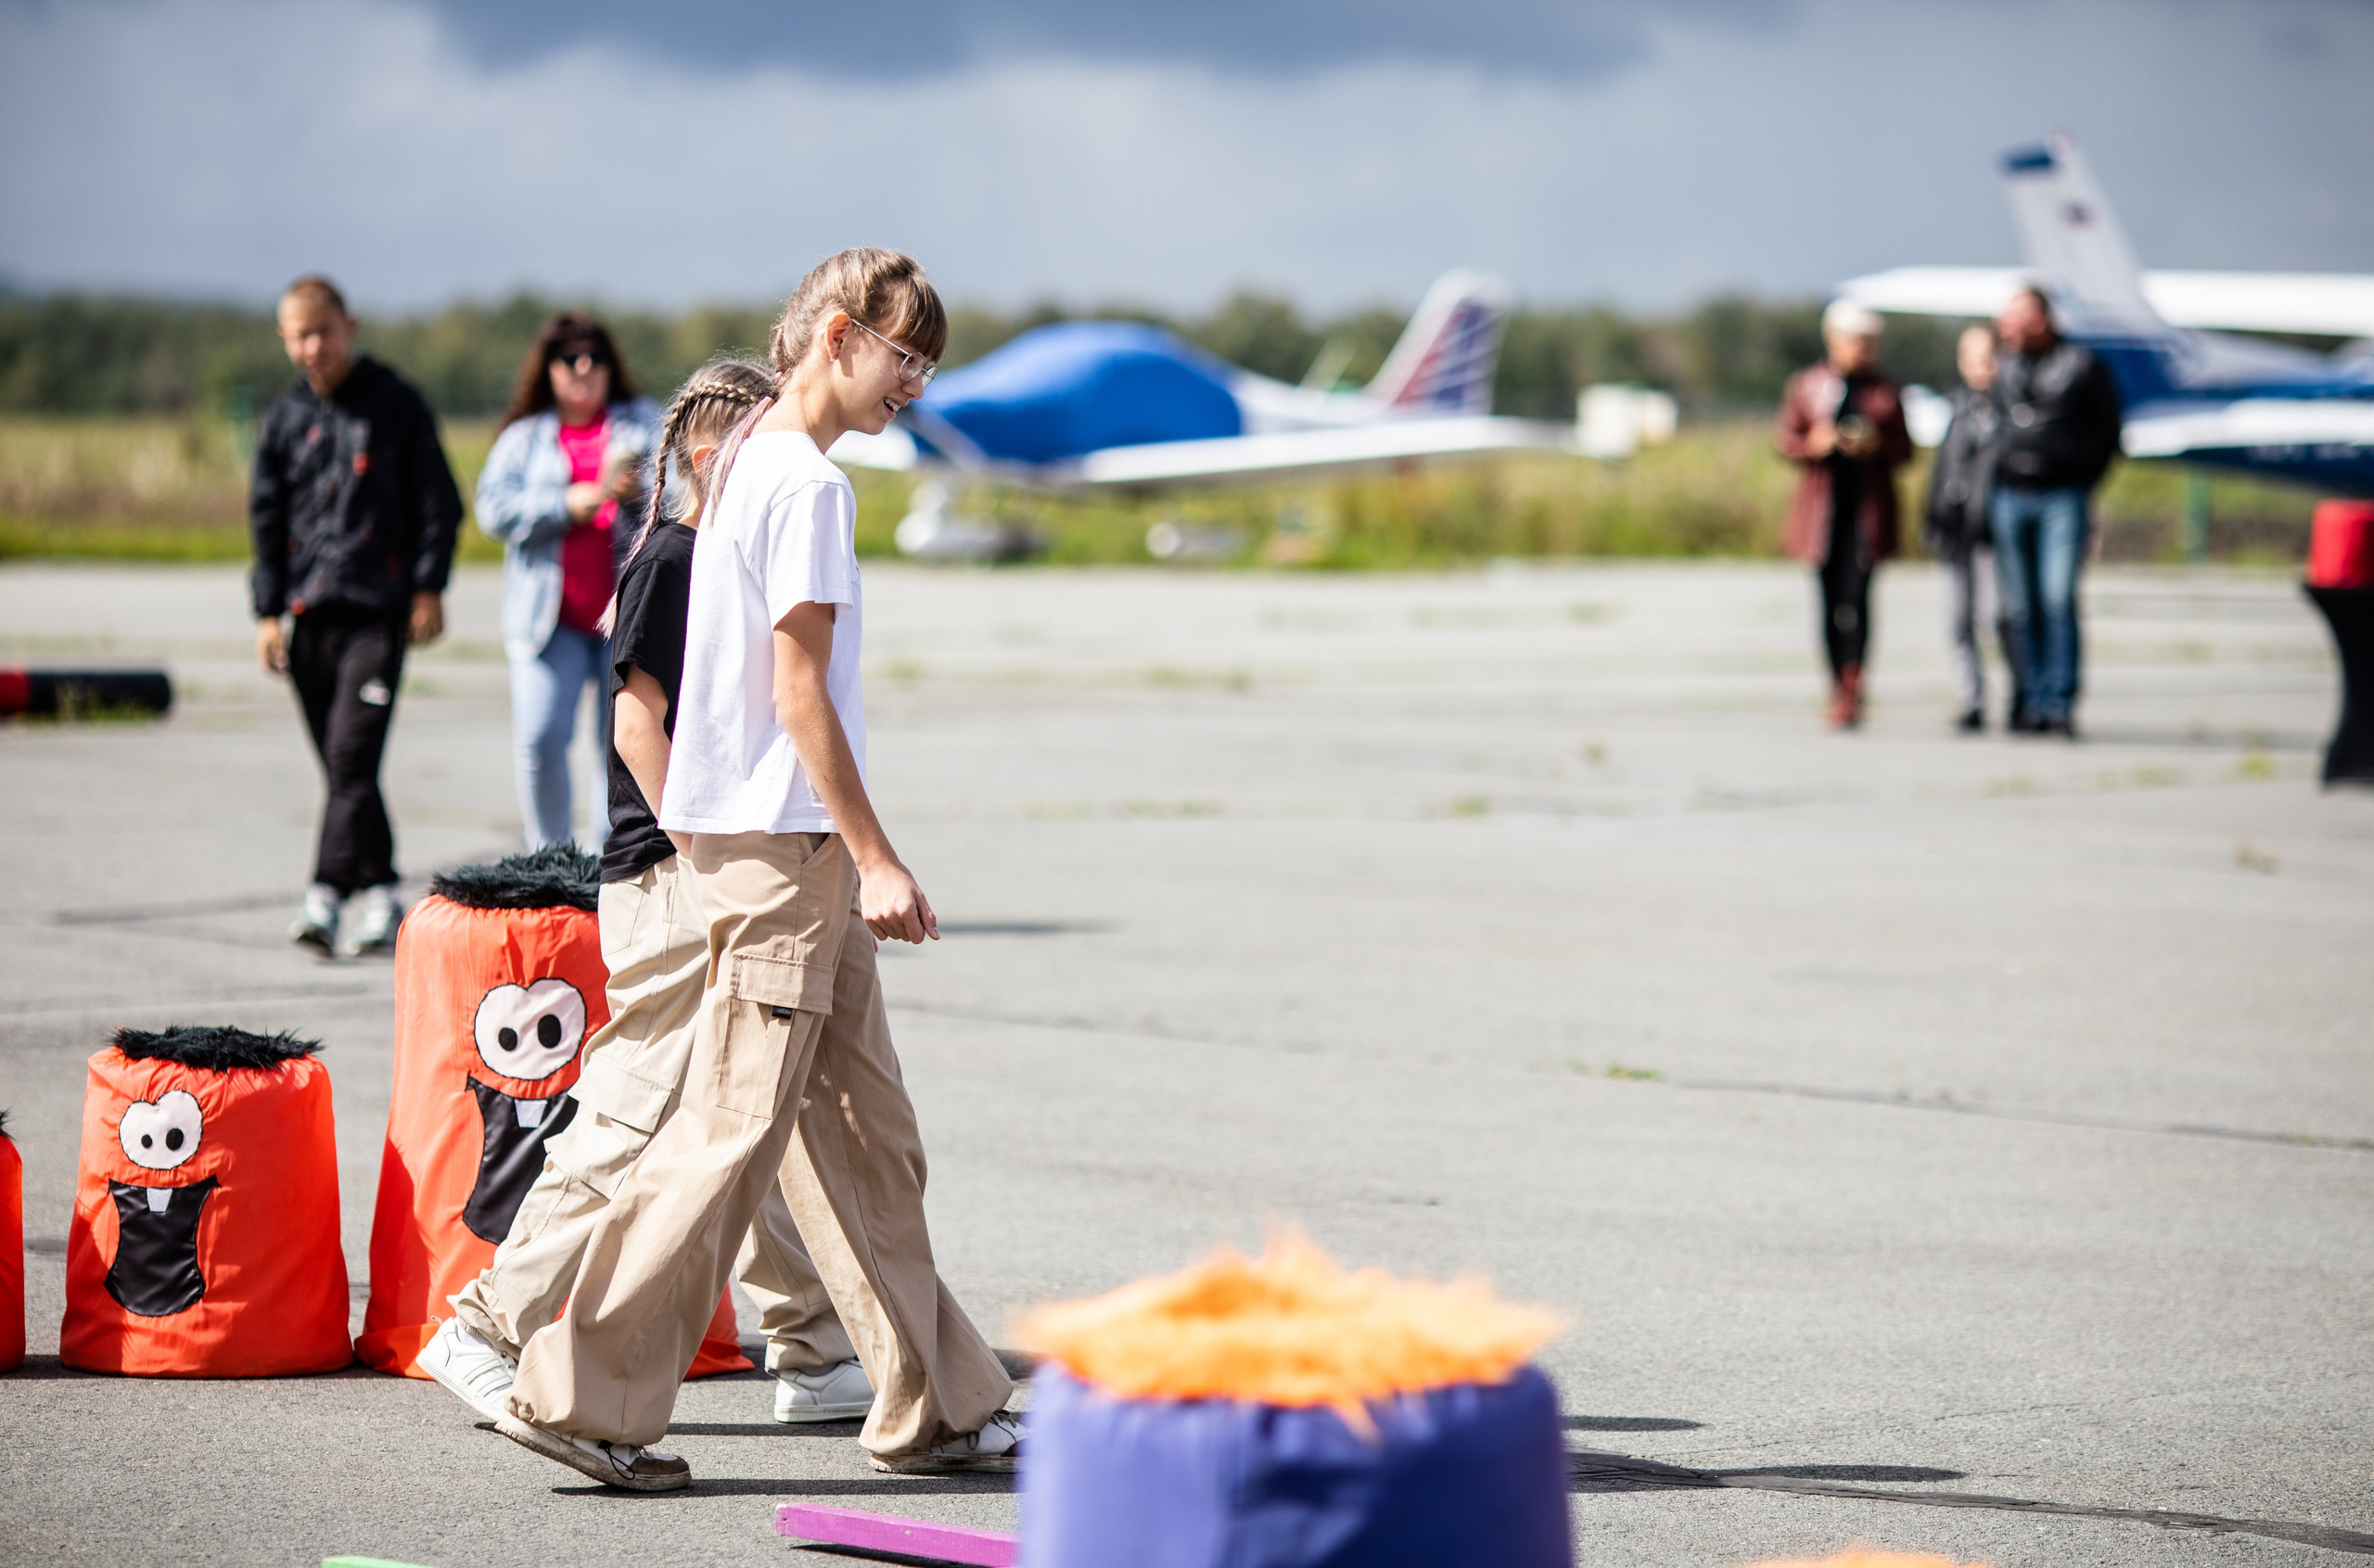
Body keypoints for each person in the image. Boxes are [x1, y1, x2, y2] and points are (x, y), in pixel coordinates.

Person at [498, 249, 1018, 1493]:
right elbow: (797, 694)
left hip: (776, 845)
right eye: (905, 355)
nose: (916, 382)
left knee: (865, 1134)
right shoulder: (805, 484)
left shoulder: (747, 465)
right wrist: (879, 857)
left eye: (928, 362)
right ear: (838, 335)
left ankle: (939, 1399)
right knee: (733, 1130)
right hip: (788, 849)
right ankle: (582, 1393)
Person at [418, 361, 874, 1431]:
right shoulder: (673, 558)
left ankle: (808, 1339)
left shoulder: (721, 554)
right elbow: (636, 729)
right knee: (638, 1109)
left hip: (721, 867)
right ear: (716, 456)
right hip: (674, 874)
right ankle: (483, 1325)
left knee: (763, 1114)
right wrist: (706, 858)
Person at [250, 274, 463, 955]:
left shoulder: (395, 403)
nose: (313, 347)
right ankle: (380, 894)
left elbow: (439, 503)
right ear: (284, 340)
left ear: (350, 327)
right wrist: (266, 612)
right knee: (349, 770)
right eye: (298, 336)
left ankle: (324, 896)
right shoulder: (284, 419)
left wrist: (429, 588)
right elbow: (266, 517)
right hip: (309, 616)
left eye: (323, 332)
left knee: (350, 754)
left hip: (379, 614)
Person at [476, 314, 661, 848]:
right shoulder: (525, 436)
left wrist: (636, 490)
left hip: (626, 621)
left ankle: (611, 865)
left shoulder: (643, 422)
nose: (583, 368)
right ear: (548, 368)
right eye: (569, 359)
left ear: (610, 367)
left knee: (623, 748)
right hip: (548, 622)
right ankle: (549, 857)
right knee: (538, 740)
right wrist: (566, 503)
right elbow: (491, 510)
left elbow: (685, 491)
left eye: (595, 358)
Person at [1989, 287, 2124, 737]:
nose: (2006, 328)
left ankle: (2060, 702)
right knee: (2019, 607)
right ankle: (2028, 699)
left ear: (2041, 320)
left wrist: (2082, 481)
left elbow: (2109, 434)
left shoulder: (2081, 366)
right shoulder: (2004, 367)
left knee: (2057, 599)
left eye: (2016, 319)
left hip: (2061, 497)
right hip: (2010, 495)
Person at [1776, 300, 1914, 729]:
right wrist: (1813, 445)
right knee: (1828, 603)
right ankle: (1835, 683)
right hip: (1823, 513)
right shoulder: (1808, 385)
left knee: (1859, 600)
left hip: (1866, 513)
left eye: (1873, 342)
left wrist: (1875, 446)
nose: (1866, 349)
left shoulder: (1886, 391)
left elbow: (1906, 450)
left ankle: (1855, 685)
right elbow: (1785, 440)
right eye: (1859, 340)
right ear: (1834, 340)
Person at [1923, 323, 2023, 732]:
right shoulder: (1958, 408)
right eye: (1970, 358)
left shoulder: (2013, 409)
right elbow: (1942, 468)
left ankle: (2023, 693)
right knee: (1958, 619)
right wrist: (1932, 517)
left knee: (1998, 616)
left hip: (1994, 530)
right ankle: (1972, 698)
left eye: (1987, 357)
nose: (1979, 367)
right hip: (1956, 528)